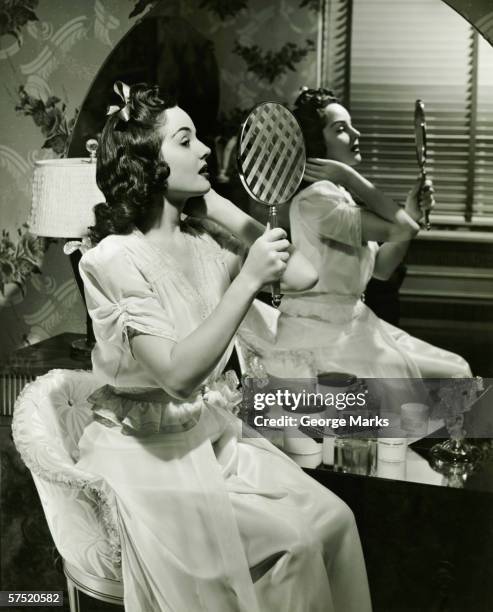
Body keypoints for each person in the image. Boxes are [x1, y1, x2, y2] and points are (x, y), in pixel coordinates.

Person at [76, 82, 372, 612]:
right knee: (297, 545)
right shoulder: (113, 259)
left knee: (337, 519)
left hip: (216, 441)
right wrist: (247, 277)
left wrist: (221, 207)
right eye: (186, 141)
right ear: (149, 164)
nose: (206, 150)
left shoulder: (207, 240)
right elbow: (177, 376)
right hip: (153, 460)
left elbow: (302, 274)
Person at [237, 87, 472, 380]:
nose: (355, 133)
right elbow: (404, 230)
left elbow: (383, 269)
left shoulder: (337, 196)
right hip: (321, 337)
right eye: (341, 129)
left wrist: (410, 211)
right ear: (317, 144)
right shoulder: (317, 200)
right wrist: (351, 177)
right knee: (455, 376)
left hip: (353, 324)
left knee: (458, 369)